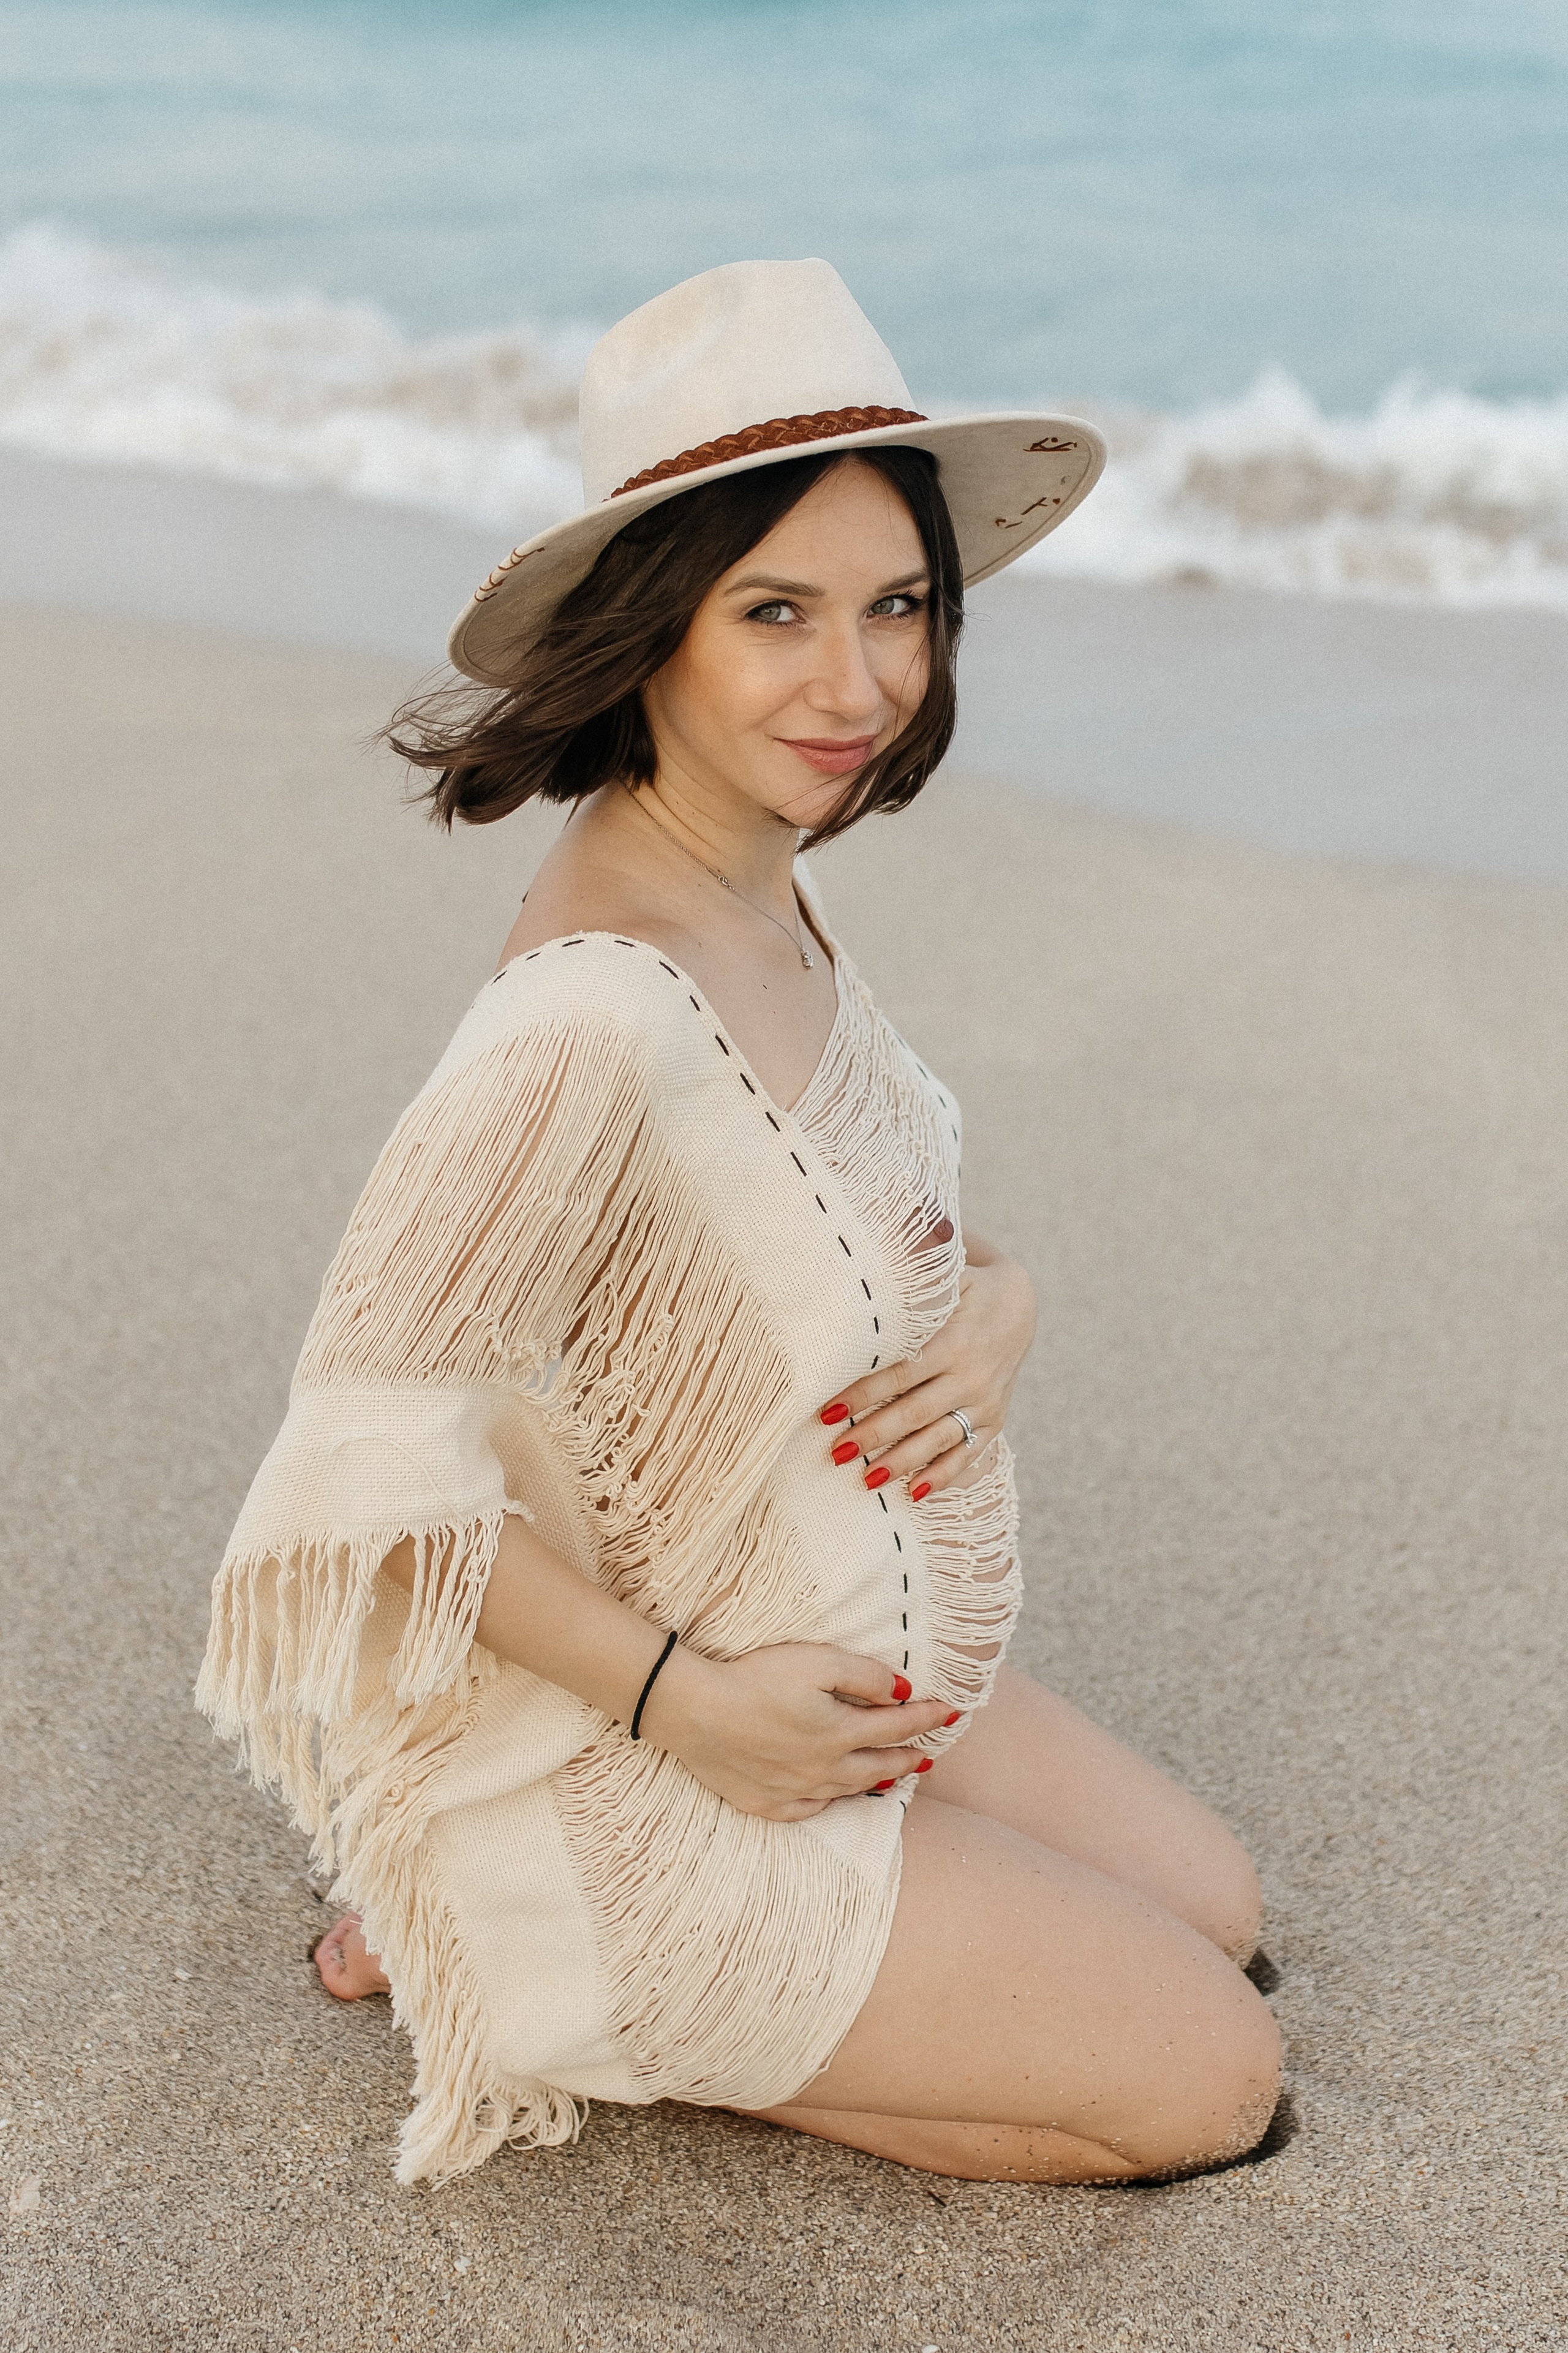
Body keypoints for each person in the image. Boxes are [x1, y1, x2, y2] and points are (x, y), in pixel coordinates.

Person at [198, 259, 1281, 2187]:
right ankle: (546, 1950)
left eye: (897, 609)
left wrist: (1004, 1305)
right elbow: (346, 1489)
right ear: (652, 635)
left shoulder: (755, 884)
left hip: (836, 1637)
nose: (856, 683)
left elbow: (822, 1213)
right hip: (707, 1716)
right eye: (773, 611)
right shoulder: (590, 1010)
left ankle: (589, 1895)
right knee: (1218, 2081)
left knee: (1224, 1906)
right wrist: (680, 1707)